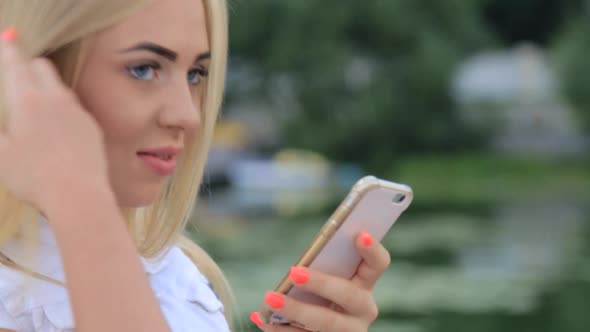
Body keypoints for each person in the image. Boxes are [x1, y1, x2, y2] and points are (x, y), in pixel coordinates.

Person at [0, 0, 392, 331]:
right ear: (31, 73)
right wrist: (79, 197)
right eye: (144, 68)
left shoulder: (174, 271)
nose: (189, 116)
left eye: (195, 74)